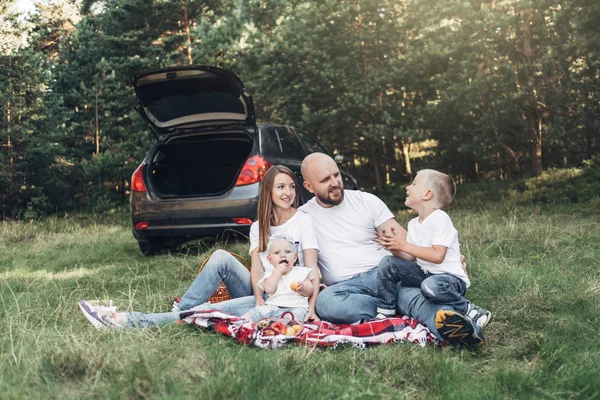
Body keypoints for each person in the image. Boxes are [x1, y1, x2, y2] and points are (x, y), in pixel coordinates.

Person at [79, 165, 320, 329]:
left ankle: (123, 320)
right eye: (280, 187)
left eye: (290, 186)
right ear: (268, 190)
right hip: (263, 292)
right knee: (220, 257)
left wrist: (311, 310)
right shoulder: (258, 226)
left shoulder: (303, 220)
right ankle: (182, 309)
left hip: (284, 297)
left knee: (206, 310)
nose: (288, 192)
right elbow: (256, 270)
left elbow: (312, 269)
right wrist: (258, 300)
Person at [299, 153, 485, 347]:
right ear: (309, 186)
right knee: (326, 302)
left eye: (336, 175)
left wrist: (449, 259)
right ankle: (398, 305)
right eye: (325, 180)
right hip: (346, 288)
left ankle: (461, 332)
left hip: (383, 275)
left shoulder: (366, 201)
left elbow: (407, 248)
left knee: (408, 296)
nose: (335, 182)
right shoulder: (304, 217)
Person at [373, 169, 491, 331]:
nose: (408, 187)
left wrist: (404, 245)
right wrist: (393, 246)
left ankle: (470, 310)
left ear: (427, 194)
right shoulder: (413, 224)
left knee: (431, 286)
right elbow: (411, 257)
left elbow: (437, 256)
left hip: (449, 281)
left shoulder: (440, 219)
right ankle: (385, 312)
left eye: (414, 184)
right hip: (425, 274)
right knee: (387, 263)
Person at [241, 237, 315, 322]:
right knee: (258, 311)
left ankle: (285, 327)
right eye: (277, 253)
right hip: (273, 306)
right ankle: (242, 321)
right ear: (270, 260)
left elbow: (310, 291)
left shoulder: (301, 272)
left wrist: (303, 288)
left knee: (297, 316)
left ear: (295, 258)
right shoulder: (270, 274)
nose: (283, 255)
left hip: (296, 307)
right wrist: (278, 271)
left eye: (287, 252)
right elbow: (269, 289)